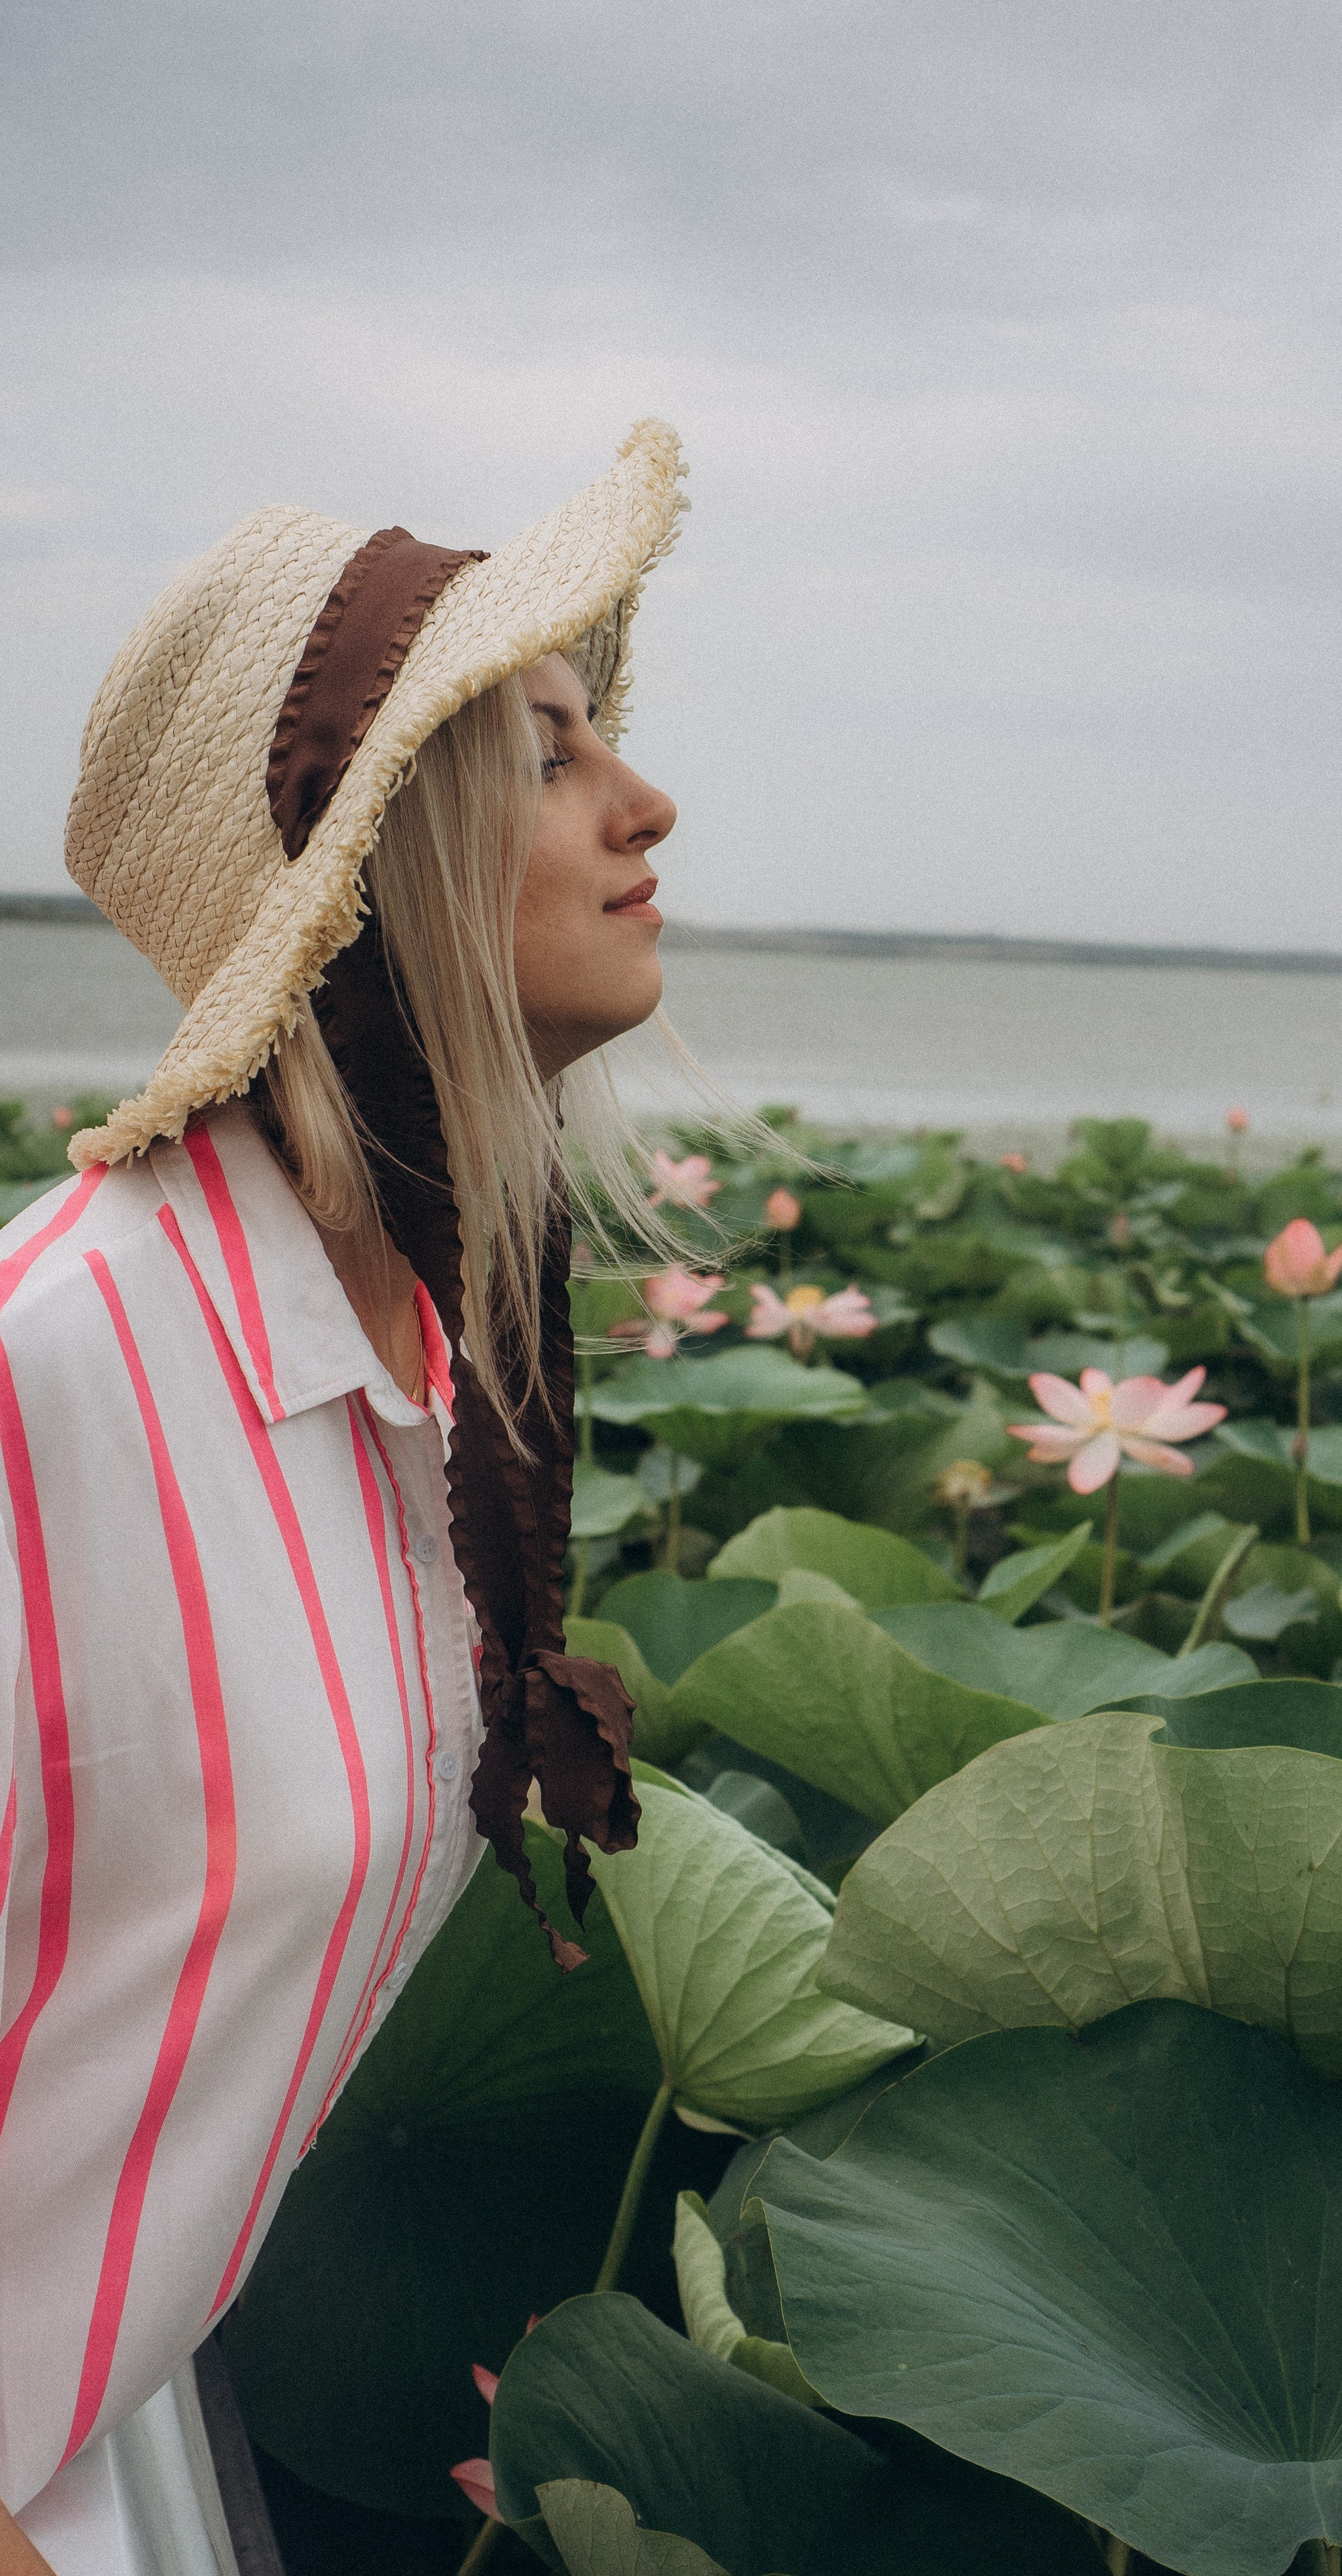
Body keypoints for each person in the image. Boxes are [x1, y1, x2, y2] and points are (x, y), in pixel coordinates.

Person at [0, 421, 695, 2573]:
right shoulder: (51, 1372)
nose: (644, 802)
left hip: (110, 2427)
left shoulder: (428, 1381)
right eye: (552, 751)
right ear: (381, 855)